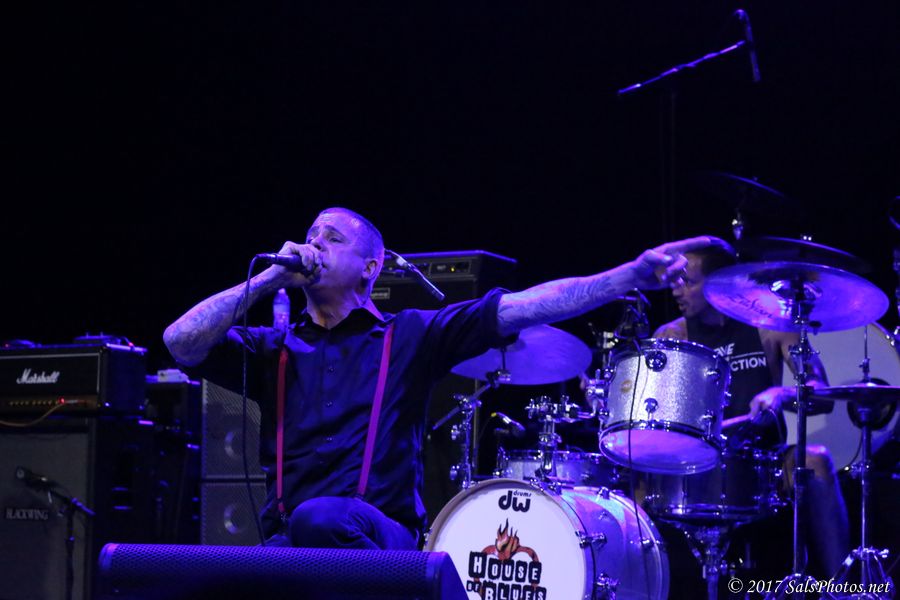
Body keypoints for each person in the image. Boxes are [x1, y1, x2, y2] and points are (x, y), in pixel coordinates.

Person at [163, 206, 722, 550]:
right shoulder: (274, 350)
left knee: (322, 517)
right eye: (311, 234)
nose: (314, 244)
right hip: (292, 540)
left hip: (380, 539)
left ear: (371, 267)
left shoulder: (410, 335)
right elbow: (179, 342)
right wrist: (267, 279)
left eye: (332, 238)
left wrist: (628, 274)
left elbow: (528, 305)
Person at [653, 243, 850, 577]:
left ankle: (845, 588)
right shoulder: (673, 335)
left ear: (718, 283)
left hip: (765, 463)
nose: (676, 290)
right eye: (676, 281)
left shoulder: (770, 324)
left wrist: (782, 393)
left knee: (816, 460)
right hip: (697, 464)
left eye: (688, 281)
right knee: (640, 471)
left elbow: (822, 394)